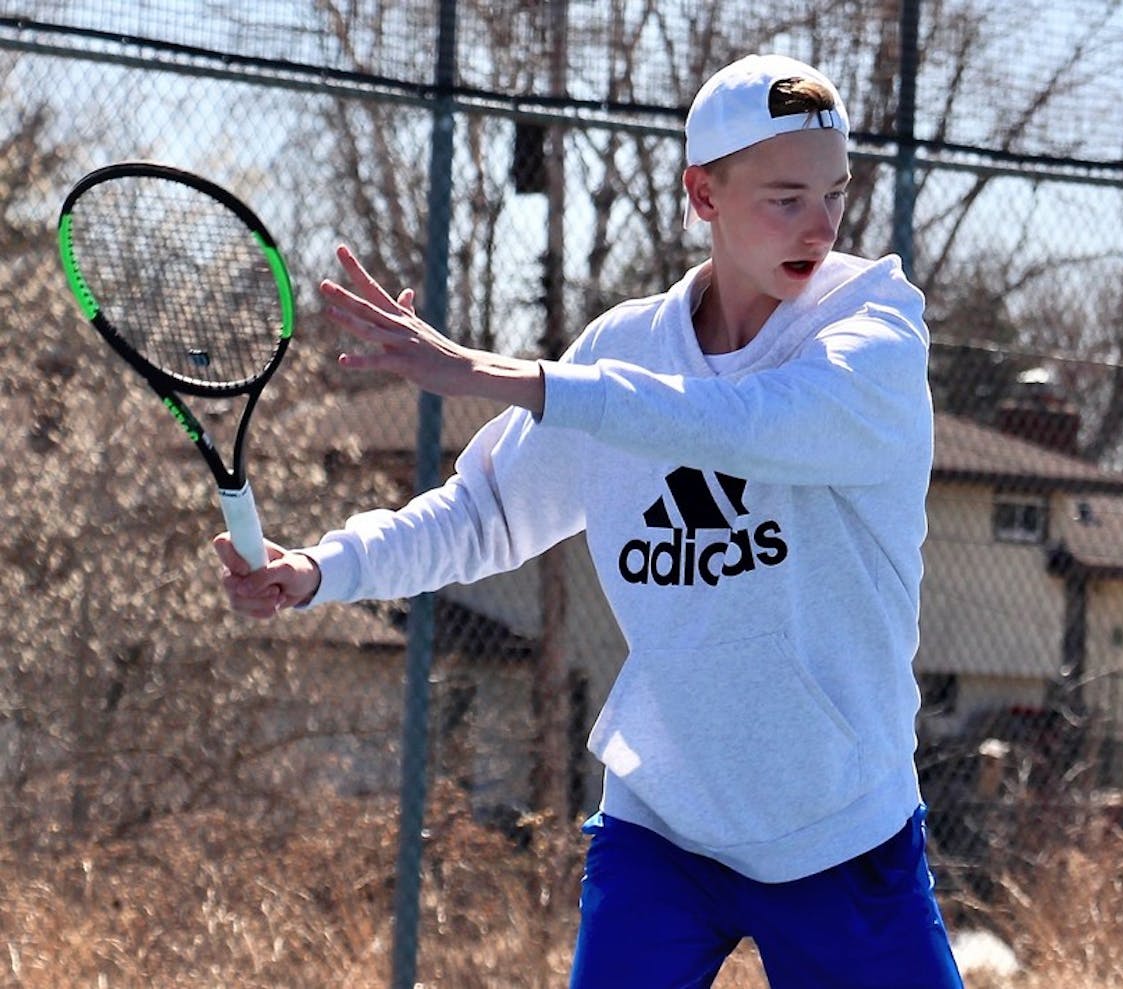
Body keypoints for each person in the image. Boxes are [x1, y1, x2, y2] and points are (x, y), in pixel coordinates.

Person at [216, 53, 964, 989]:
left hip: (841, 824)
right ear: (704, 194)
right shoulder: (625, 347)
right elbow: (487, 509)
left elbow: (746, 422)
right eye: (785, 198)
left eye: (835, 193)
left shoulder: (875, 334)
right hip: (664, 825)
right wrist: (324, 568)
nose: (821, 225)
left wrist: (504, 377)